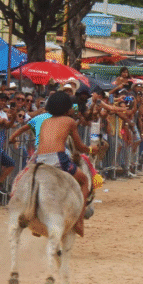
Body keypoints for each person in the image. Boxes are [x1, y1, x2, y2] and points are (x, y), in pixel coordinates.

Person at [32, 91, 95, 236]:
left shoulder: (45, 121)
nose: (73, 108)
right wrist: (91, 149)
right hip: (58, 158)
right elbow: (80, 147)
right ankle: (79, 221)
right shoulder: (69, 121)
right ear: (66, 108)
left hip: (40, 159)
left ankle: (35, 217)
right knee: (84, 181)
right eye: (71, 106)